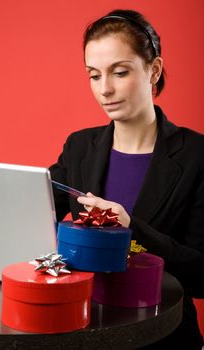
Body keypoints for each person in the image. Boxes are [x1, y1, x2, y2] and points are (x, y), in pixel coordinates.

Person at [50, 9, 204, 349]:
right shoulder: (78, 146)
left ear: (154, 69)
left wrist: (132, 227)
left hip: (163, 337)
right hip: (86, 331)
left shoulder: (197, 155)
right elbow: (35, 206)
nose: (105, 89)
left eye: (120, 72)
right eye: (94, 75)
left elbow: (202, 276)